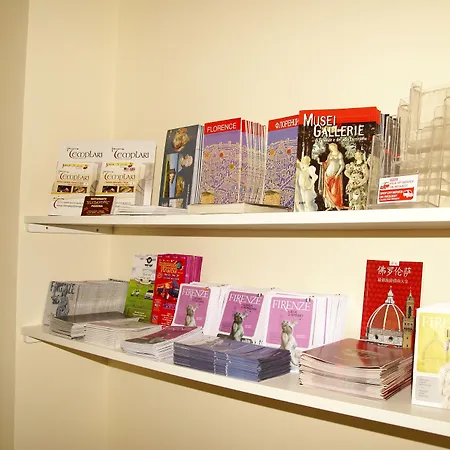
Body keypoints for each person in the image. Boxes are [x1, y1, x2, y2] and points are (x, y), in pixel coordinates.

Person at [316, 143, 344, 210]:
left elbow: (342, 165)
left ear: (335, 146)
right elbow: (326, 163)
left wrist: (337, 174)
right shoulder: (330, 154)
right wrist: (320, 163)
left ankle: (336, 205)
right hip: (327, 175)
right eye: (330, 148)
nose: (331, 148)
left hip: (335, 176)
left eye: (332, 147)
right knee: (328, 191)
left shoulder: (339, 154)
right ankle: (330, 206)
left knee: (334, 191)